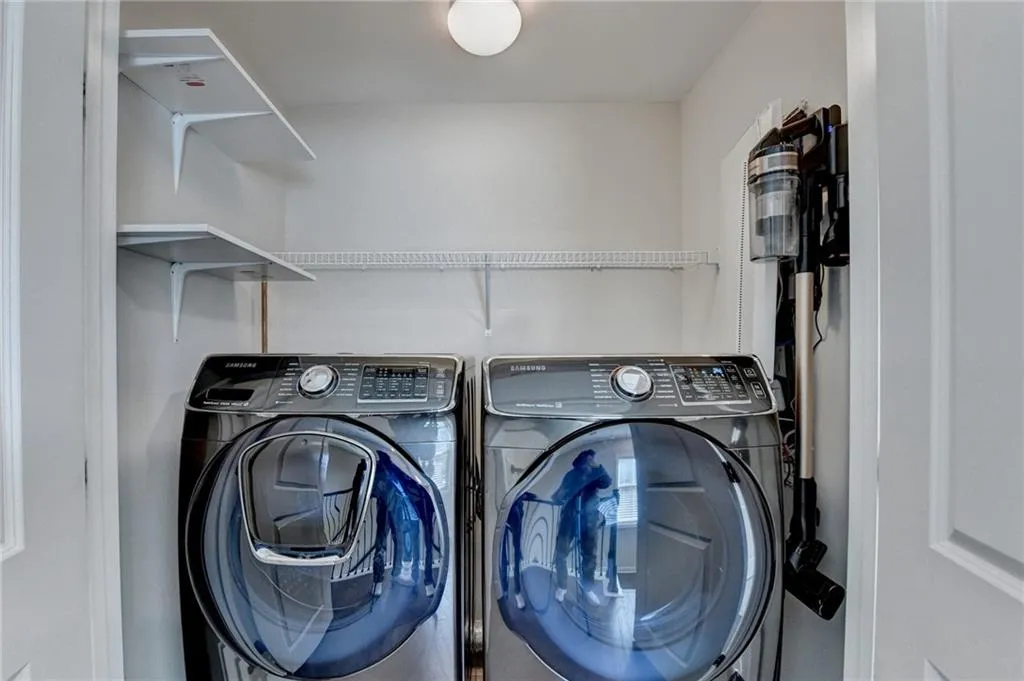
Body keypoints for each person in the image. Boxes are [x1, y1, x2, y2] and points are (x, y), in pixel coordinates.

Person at [551, 449, 611, 606]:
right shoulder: (571, 475)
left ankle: (588, 587)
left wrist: (597, 467)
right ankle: (562, 586)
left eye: (592, 458)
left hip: (589, 520)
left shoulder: (595, 474)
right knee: (561, 552)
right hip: (569, 519)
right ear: (580, 460)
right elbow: (559, 494)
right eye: (587, 458)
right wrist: (559, 497)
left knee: (589, 554)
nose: (590, 461)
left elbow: (607, 482)